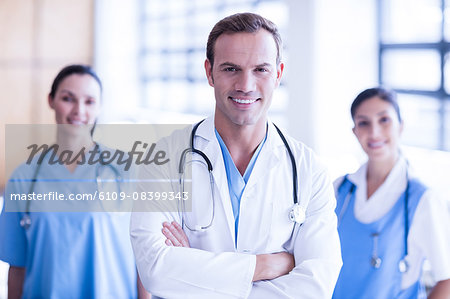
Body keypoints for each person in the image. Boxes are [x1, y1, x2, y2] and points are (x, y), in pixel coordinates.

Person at [130, 13, 342, 298]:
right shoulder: (164, 159)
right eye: (231, 69)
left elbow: (316, 286)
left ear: (278, 73)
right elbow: (156, 269)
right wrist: (267, 265)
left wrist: (194, 272)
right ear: (209, 72)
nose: (246, 84)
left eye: (260, 70)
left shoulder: (309, 170)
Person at [0, 65, 149, 298]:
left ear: (99, 106)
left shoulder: (126, 171)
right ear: (51, 100)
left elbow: (144, 258)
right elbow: (17, 267)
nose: (78, 110)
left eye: (89, 101)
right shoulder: (24, 178)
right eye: (68, 98)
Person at [332, 87, 450, 298]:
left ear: (400, 126)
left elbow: (446, 279)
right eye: (364, 123)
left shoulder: (422, 199)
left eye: (384, 120)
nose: (374, 132)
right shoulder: (339, 189)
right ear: (355, 131)